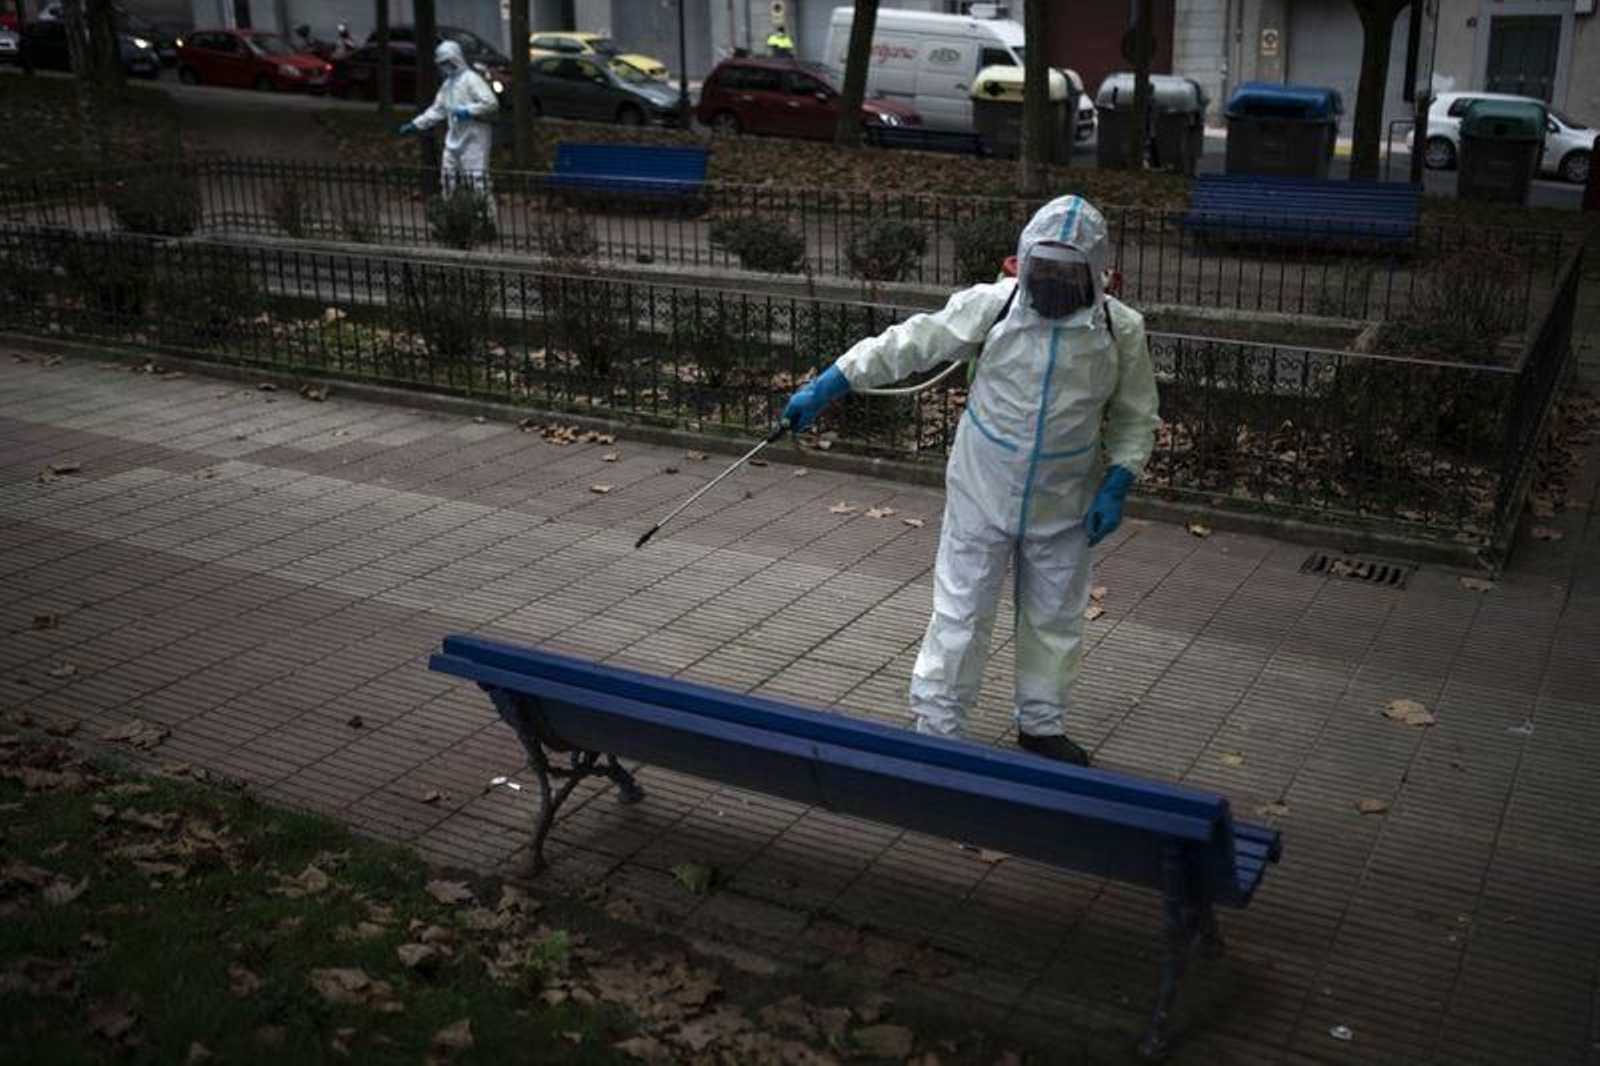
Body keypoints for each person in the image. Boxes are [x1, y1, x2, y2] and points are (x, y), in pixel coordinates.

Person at [782, 196, 1159, 765]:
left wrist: (1118, 481)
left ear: (1095, 271)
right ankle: (938, 724)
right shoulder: (994, 306)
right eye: (1045, 268)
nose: (1054, 282)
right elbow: (911, 341)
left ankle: (1041, 723)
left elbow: (1135, 413)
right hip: (983, 485)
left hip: (1067, 497)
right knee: (962, 609)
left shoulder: (1118, 328)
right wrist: (832, 382)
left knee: (1055, 614)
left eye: (1067, 272)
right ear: (1024, 261)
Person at [397, 41, 500, 209]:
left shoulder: (471, 79)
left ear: (456, 59)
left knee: (477, 182)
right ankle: (450, 216)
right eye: (442, 64)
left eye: (447, 62)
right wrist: (416, 124)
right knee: (447, 179)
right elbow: (437, 110)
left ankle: (487, 220)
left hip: (475, 138)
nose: (445, 67)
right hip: (455, 137)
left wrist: (469, 110)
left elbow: (491, 103)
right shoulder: (448, 85)